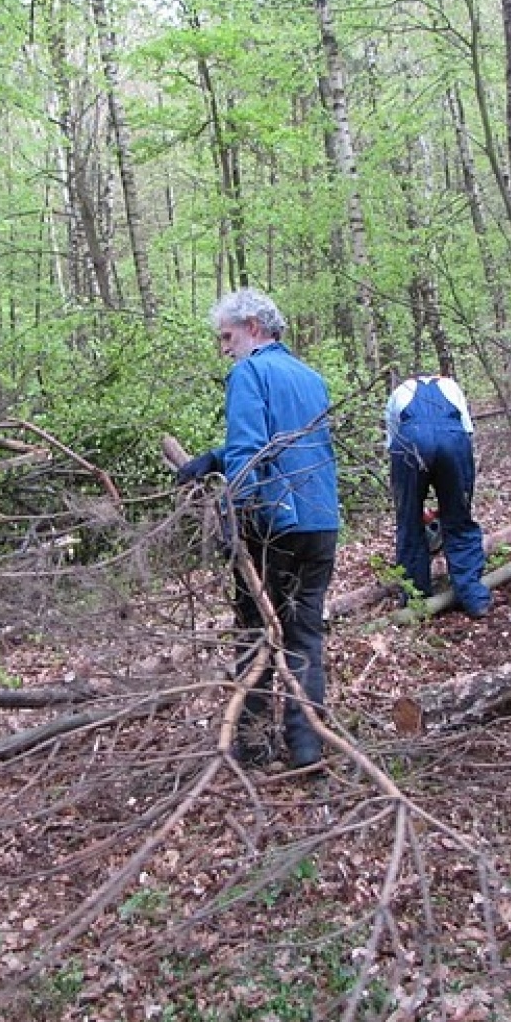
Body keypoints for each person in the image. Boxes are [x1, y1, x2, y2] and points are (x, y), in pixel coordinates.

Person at [176, 288, 340, 769]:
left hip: (273, 525)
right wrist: (214, 458)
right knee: (305, 634)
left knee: (255, 631)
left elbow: (252, 451)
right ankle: (308, 747)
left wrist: (235, 515)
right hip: (320, 522)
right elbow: (288, 443)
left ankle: (250, 744)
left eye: (227, 336)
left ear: (252, 327)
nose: (225, 348)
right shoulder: (311, 378)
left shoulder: (248, 372)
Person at [385, 374, 492, 618]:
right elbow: (466, 433)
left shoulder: (399, 392)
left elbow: (393, 443)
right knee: (460, 519)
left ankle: (415, 598)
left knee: (409, 523)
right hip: (453, 440)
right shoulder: (452, 387)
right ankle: (473, 596)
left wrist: (411, 502)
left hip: (409, 442)